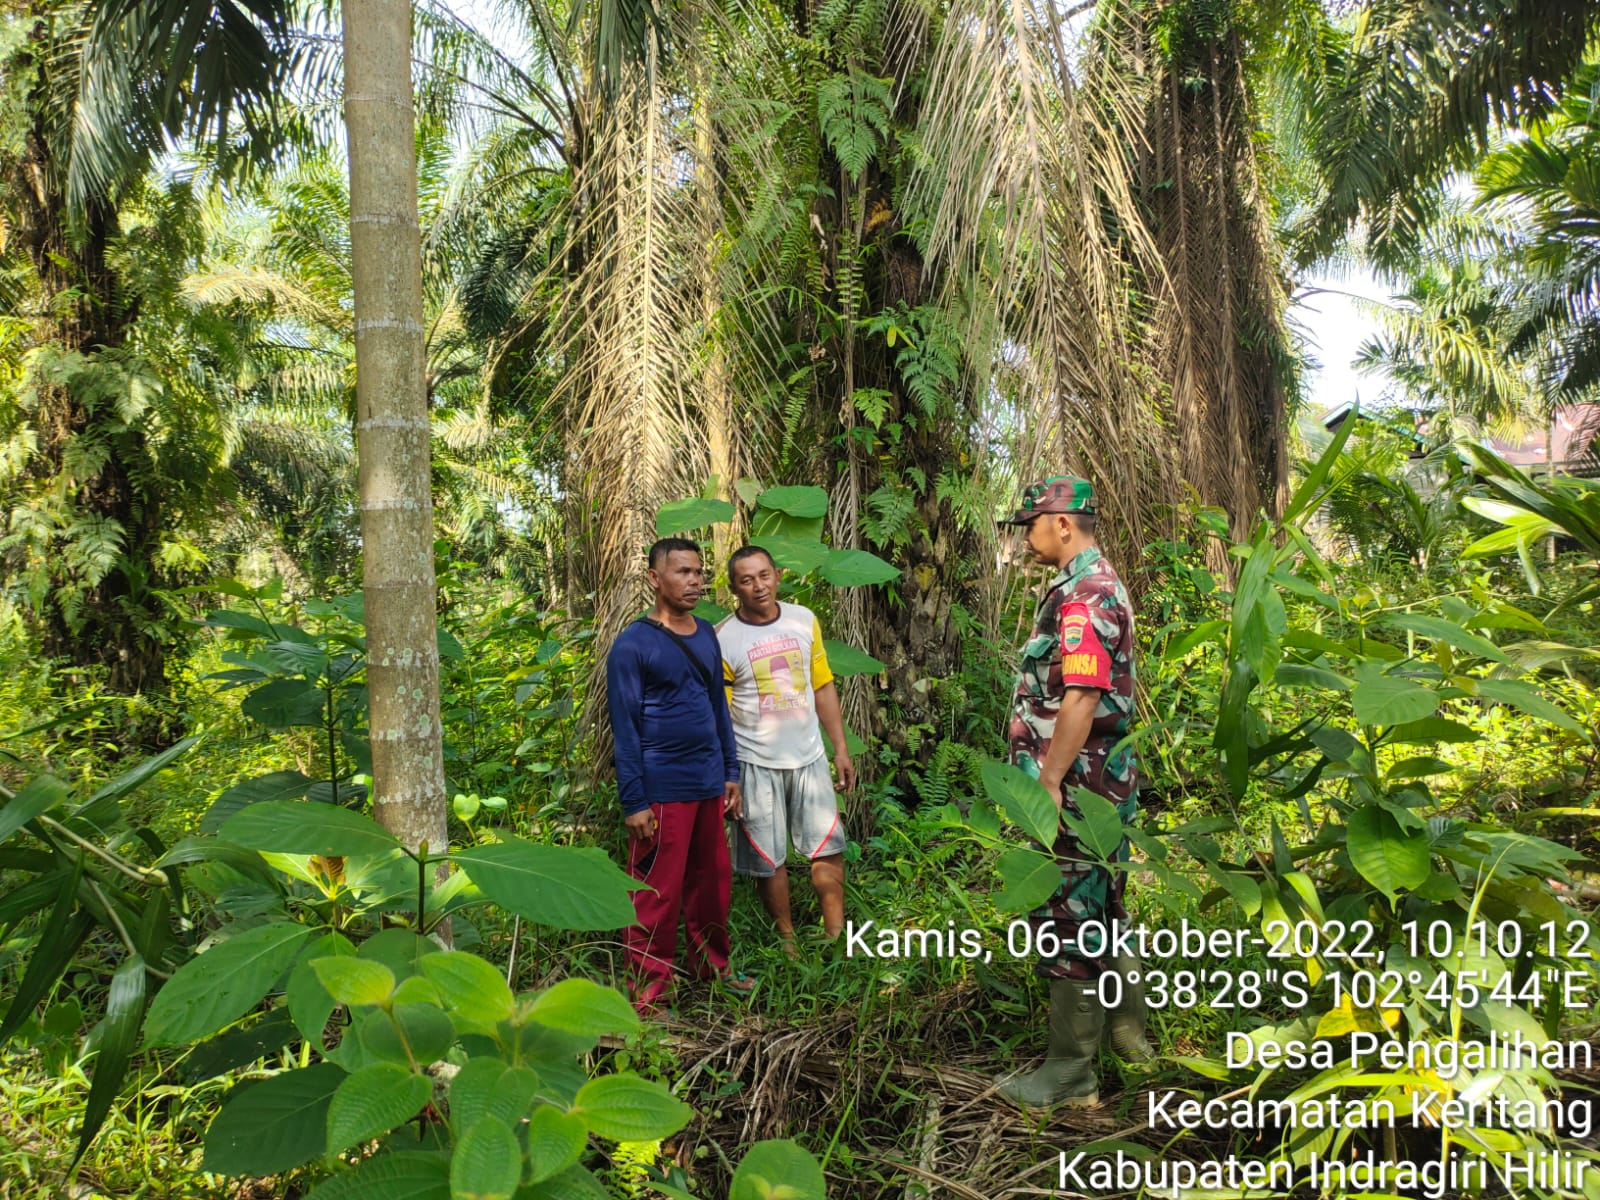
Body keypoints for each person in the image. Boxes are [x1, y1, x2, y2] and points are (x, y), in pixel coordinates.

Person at [993, 475, 1151, 1108]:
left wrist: (1050, 782)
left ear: (1063, 522)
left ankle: (1070, 1072)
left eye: (1030, 523)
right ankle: (1129, 1041)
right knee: (1105, 911)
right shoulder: (1092, 582)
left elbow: (1081, 696)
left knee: (1069, 917)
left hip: (1081, 782)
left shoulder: (1083, 595)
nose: (1025, 536)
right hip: (1102, 782)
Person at [606, 537, 753, 1012]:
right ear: (654, 578)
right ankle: (649, 994)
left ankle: (714, 969)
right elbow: (624, 728)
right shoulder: (632, 645)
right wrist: (634, 801)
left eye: (697, 572)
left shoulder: (707, 633)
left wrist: (730, 771)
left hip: (708, 782)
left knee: (711, 886)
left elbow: (717, 707)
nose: (693, 581)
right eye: (682, 572)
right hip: (661, 790)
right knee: (656, 895)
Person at [717, 545, 857, 945]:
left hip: (809, 757)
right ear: (734, 588)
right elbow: (720, 716)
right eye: (746, 580)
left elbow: (823, 684)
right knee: (768, 859)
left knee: (827, 847)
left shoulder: (802, 620)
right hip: (754, 763)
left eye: (764, 576)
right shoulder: (723, 638)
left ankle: (836, 934)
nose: (758, 586)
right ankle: (788, 940)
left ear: (778, 575)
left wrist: (840, 749)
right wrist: (729, 776)